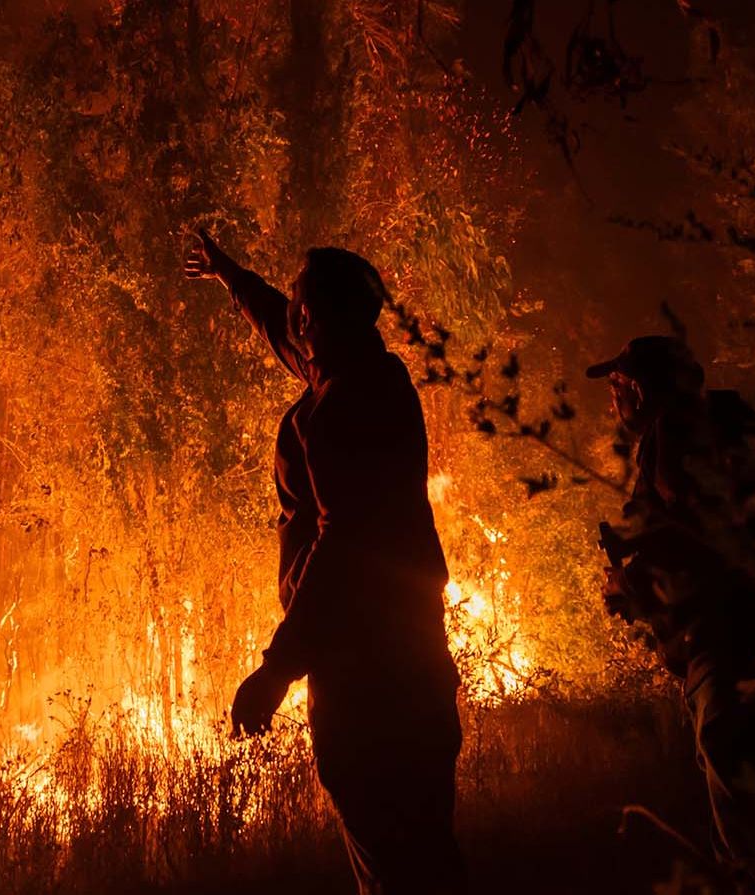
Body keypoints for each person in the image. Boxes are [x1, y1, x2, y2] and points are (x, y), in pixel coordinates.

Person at [184, 229, 464, 895]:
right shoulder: (358, 372)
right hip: (408, 667)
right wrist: (232, 277)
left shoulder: (345, 404)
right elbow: (282, 328)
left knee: (396, 869)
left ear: (330, 314)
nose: (294, 312)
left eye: (304, 301)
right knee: (424, 859)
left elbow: (343, 549)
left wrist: (275, 670)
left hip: (372, 685)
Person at [589, 335, 755, 894]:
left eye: (616, 390)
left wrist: (630, 585)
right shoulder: (709, 431)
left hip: (730, 647)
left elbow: (698, 540)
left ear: (638, 390)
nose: (613, 405)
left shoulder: (675, 434)